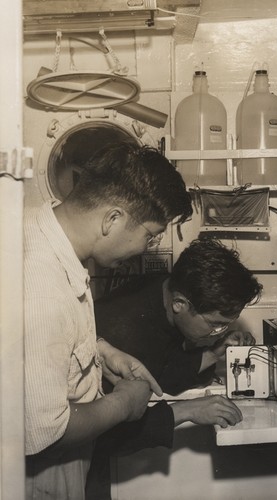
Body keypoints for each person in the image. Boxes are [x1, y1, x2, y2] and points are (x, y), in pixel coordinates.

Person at [24, 142, 193, 500]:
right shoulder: (41, 285)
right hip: (43, 477)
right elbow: (43, 432)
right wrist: (124, 405)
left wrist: (101, 351)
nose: (145, 249)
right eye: (149, 235)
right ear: (112, 219)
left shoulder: (42, 235)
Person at [86, 238, 263, 499]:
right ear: (180, 304)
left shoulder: (163, 291)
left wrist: (214, 353)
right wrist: (188, 410)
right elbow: (105, 437)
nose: (219, 331)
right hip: (80, 460)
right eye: (215, 324)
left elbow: (160, 373)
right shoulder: (127, 333)